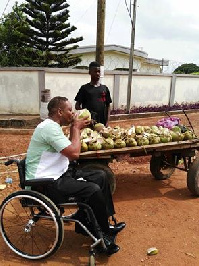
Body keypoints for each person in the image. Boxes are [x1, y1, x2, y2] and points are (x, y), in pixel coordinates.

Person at [25, 96, 125, 256]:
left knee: (101, 176)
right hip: (45, 182)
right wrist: (76, 129)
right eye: (69, 110)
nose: (73, 113)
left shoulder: (53, 127)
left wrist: (75, 128)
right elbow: (74, 153)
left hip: (58, 173)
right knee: (92, 190)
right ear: (59, 112)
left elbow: (69, 147)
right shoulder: (48, 128)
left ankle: (100, 223)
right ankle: (104, 236)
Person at [75, 61, 112, 126]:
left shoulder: (104, 88)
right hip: (88, 124)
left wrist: (107, 121)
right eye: (95, 71)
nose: (97, 74)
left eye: (99, 71)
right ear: (90, 72)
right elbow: (77, 105)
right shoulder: (84, 88)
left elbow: (108, 106)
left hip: (102, 123)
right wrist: (87, 117)